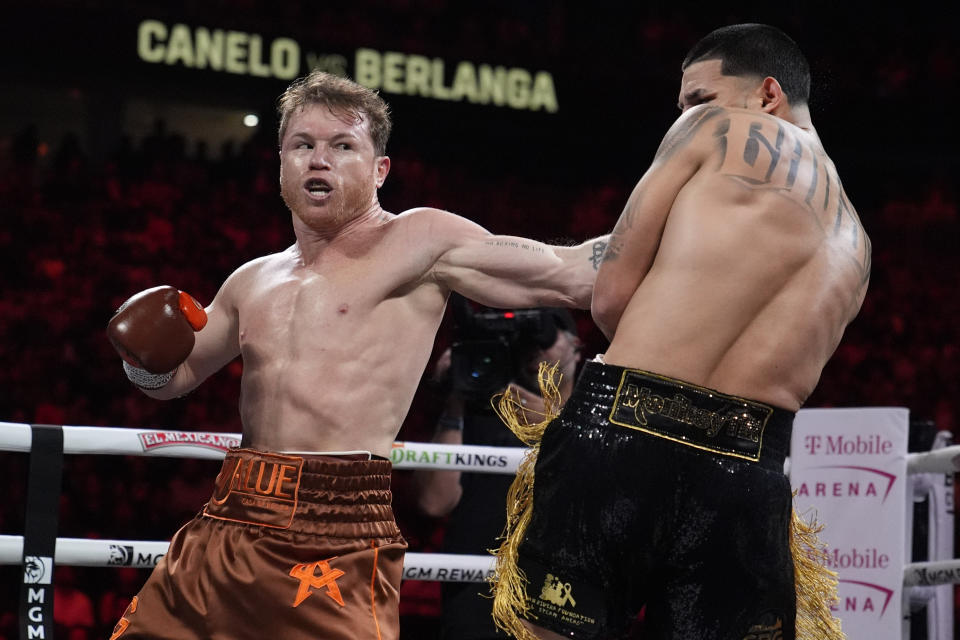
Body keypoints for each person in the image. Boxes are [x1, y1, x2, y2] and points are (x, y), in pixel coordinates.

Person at [105, 70, 607, 640]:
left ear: (379, 169)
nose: (320, 160)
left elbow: (568, 274)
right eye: (304, 145)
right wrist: (141, 358)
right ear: (281, 162)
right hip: (229, 513)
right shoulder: (252, 279)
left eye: (343, 146)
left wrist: (684, 221)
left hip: (333, 526)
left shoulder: (418, 241)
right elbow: (174, 379)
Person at [491, 24, 869, 640]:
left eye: (698, 96)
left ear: (767, 93)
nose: (687, 111)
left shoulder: (713, 130)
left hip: (624, 430)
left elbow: (611, 297)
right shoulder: (859, 243)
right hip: (748, 472)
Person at [417, 306, 582, 640]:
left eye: (545, 335)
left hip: (557, 589)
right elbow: (435, 502)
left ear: (576, 347)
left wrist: (555, 426)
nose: (535, 347)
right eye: (525, 340)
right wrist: (455, 403)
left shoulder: (598, 424)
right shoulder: (485, 412)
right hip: (477, 595)